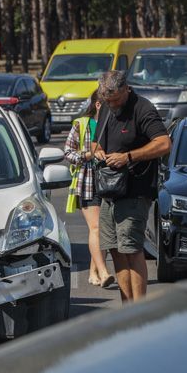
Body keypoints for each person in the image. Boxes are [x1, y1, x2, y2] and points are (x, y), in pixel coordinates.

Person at [91, 70, 170, 303]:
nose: (112, 105)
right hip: (108, 192)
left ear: (126, 89)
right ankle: (128, 307)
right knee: (115, 250)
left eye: (115, 100)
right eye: (107, 100)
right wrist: (99, 152)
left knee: (131, 249)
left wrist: (129, 157)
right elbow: (96, 141)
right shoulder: (106, 106)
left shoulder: (142, 108)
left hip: (134, 192)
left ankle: (139, 309)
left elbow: (164, 143)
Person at [62, 96, 113, 288]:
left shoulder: (114, 123)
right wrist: (88, 155)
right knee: (96, 228)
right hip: (88, 182)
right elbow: (67, 152)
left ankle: (93, 272)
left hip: (111, 181)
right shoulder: (82, 124)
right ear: (98, 104)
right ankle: (104, 271)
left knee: (105, 230)